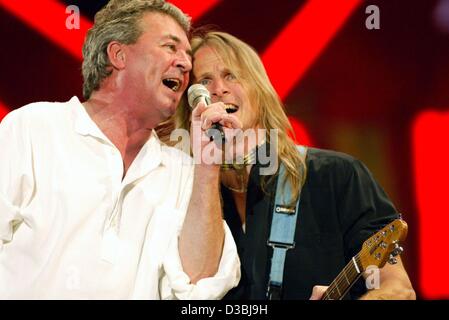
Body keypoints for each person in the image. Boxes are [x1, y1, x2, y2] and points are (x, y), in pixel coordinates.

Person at [0, 1, 241, 299]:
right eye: (170, 47)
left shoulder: (182, 172)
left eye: (187, 56)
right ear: (118, 55)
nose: (186, 64)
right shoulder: (34, 128)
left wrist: (206, 168)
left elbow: (200, 286)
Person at [173, 30, 416, 300]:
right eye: (204, 81)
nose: (219, 88)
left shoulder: (337, 176)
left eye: (231, 75)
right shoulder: (179, 195)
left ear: (260, 90)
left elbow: (398, 290)